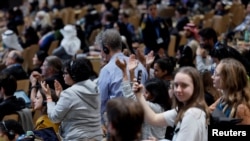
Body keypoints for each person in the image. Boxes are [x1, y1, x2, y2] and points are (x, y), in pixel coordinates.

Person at [133, 66, 210, 141]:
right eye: (176, 85)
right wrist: (139, 95)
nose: (178, 90)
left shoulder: (192, 114)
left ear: (196, 87)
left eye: (184, 85)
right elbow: (154, 119)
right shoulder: (184, 108)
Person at [97, 29, 148, 133]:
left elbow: (101, 102)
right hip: (140, 120)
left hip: (117, 122)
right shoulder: (140, 65)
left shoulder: (106, 70)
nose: (101, 54)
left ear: (106, 48)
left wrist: (101, 124)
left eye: (101, 50)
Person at [41, 57, 102, 140]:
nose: (63, 75)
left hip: (76, 138)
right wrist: (61, 96)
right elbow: (79, 105)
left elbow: (54, 118)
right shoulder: (96, 88)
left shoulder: (69, 94)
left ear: (74, 75)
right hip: (97, 137)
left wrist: (48, 97)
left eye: (66, 73)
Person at [115, 57, 171, 140]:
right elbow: (135, 93)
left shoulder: (155, 107)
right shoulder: (160, 105)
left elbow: (131, 99)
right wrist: (131, 72)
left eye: (146, 92)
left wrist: (124, 71)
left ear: (155, 95)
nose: (143, 94)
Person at [209, 58, 250, 124]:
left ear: (229, 79)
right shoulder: (223, 99)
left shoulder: (241, 108)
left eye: (216, 74)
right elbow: (206, 111)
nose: (212, 77)